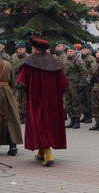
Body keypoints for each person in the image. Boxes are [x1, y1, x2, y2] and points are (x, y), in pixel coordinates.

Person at [16, 38, 69, 166]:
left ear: (34, 49)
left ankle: (48, 153)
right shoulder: (55, 62)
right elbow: (64, 85)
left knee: (39, 125)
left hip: (36, 101)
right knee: (49, 125)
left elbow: (21, 83)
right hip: (52, 102)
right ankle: (41, 152)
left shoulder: (29, 62)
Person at [63, 46, 86, 129]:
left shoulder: (78, 61)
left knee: (75, 102)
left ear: (75, 52)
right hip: (66, 85)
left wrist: (81, 84)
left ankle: (77, 121)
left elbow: (83, 73)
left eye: (71, 51)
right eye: (68, 51)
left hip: (75, 85)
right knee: (68, 103)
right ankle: (72, 120)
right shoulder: (64, 60)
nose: (69, 52)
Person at [10, 41, 29, 124]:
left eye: (20, 49)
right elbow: (11, 68)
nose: (18, 50)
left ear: (24, 49)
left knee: (25, 100)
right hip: (16, 81)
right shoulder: (14, 57)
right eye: (17, 49)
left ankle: (25, 115)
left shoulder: (29, 57)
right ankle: (19, 115)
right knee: (17, 99)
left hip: (25, 82)